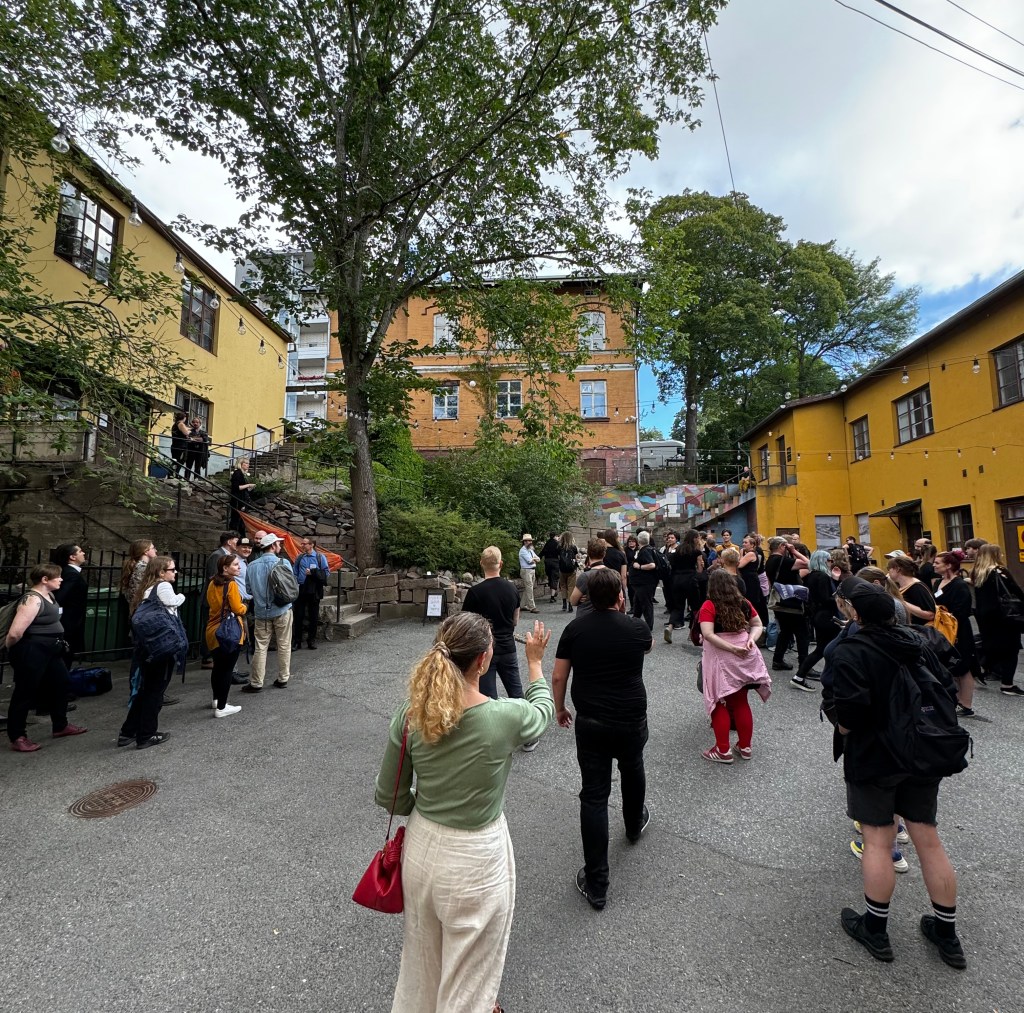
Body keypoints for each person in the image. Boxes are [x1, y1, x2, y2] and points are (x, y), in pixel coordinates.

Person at [375, 613, 553, 1013]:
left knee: (421, 962)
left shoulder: (411, 714)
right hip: (476, 855)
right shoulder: (503, 716)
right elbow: (541, 712)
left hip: (421, 850)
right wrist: (536, 663)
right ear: (483, 661)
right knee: (469, 979)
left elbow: (392, 796)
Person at [831, 577, 967, 969]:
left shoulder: (852, 650)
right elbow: (950, 682)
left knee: (876, 839)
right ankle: (947, 933)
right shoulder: (922, 641)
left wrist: (840, 727)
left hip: (875, 753)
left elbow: (852, 715)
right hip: (923, 749)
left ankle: (875, 927)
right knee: (928, 839)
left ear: (855, 613)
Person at [553, 568, 653, 910]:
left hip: (592, 720)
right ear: (619, 596)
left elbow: (558, 675)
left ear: (588, 597)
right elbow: (649, 647)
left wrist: (560, 707)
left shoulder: (575, 629)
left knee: (594, 795)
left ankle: (597, 882)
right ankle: (633, 823)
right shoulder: (636, 627)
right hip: (630, 716)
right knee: (632, 765)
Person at [461, 547, 537, 751]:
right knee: (515, 690)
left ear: (481, 564)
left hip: (485, 649)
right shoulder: (511, 588)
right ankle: (529, 734)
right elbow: (515, 618)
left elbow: (467, 623)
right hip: (508, 645)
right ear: (501, 564)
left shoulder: (475, 592)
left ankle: (492, 738)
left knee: (487, 695)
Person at [5, 564, 87, 752]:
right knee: (26, 691)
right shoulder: (32, 600)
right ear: (44, 579)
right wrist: (13, 650)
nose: (61, 579)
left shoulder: (49, 596)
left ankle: (60, 725)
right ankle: (17, 736)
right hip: (33, 649)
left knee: (62, 682)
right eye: (57, 577)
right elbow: (15, 633)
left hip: (51, 648)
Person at [697, 569, 771, 763]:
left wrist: (730, 648)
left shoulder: (709, 605)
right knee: (740, 701)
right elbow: (757, 624)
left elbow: (708, 634)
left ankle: (722, 750)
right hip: (746, 655)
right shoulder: (743, 603)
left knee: (718, 701)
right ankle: (745, 746)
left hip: (721, 658)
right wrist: (751, 640)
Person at [119, 556, 184, 749]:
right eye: (172, 569)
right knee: (155, 692)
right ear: (161, 572)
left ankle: (128, 731)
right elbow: (173, 603)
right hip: (161, 647)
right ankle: (146, 734)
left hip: (147, 647)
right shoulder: (163, 586)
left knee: (146, 690)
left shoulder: (146, 589)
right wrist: (182, 596)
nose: (175, 572)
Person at [243, 532, 294, 692]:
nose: (280, 546)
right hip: (282, 609)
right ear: (272, 546)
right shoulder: (284, 562)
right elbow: (290, 585)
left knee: (260, 646)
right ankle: (283, 678)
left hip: (261, 612)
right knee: (284, 644)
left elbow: (249, 589)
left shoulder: (251, 565)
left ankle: (256, 682)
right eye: (278, 544)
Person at [972, 543, 1024, 696]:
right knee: (1011, 650)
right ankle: (1007, 684)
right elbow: (1016, 591)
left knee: (993, 646)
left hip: (986, 616)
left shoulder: (977, 572)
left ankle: (979, 669)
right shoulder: (1000, 571)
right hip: (1005, 617)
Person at [931, 552, 978, 716]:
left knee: (963, 667)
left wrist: (947, 619)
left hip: (959, 631)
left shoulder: (959, 585)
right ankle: (956, 700)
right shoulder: (938, 582)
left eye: (938, 563)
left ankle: (966, 704)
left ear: (949, 565)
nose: (934, 565)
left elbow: (962, 611)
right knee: (951, 666)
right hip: (942, 630)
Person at [793, 550, 842, 692]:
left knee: (823, 648)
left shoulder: (811, 576)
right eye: (829, 560)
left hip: (818, 615)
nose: (831, 563)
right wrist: (840, 599)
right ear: (823, 561)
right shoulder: (822, 577)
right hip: (826, 616)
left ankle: (801, 676)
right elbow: (825, 598)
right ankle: (801, 676)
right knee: (827, 648)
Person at [206, 553, 247, 718]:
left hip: (213, 629)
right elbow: (238, 608)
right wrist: (244, 607)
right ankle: (222, 707)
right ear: (225, 568)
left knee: (217, 667)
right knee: (227, 670)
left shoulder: (211, 583)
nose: (238, 567)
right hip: (228, 631)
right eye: (236, 565)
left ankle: (216, 699)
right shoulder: (231, 585)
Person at [765, 537, 811, 680]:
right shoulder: (784, 561)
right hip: (792, 601)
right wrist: (794, 551)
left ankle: (777, 660)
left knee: (785, 632)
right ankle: (805, 666)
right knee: (802, 634)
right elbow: (809, 564)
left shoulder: (769, 561)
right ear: (781, 546)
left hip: (779, 601)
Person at [202, 531, 240, 668]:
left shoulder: (228, 556)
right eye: (236, 540)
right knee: (214, 628)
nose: (238, 543)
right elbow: (214, 579)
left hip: (226, 602)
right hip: (216, 602)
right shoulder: (217, 556)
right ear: (229, 541)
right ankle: (208, 658)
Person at [52, 542, 88, 667]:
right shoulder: (71, 575)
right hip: (69, 622)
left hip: (68, 621)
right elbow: (60, 598)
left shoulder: (67, 572)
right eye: (80, 551)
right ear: (72, 557)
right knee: (65, 658)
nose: (83, 553)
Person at [666, 528, 704, 641]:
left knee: (678, 606)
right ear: (695, 538)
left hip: (677, 580)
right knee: (695, 607)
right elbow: (700, 570)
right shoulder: (696, 551)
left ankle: (670, 626)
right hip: (690, 580)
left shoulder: (678, 549)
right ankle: (692, 632)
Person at [292, 537, 328, 650]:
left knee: (313, 616)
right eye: (302, 543)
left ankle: (311, 640)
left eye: (304, 544)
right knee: (298, 616)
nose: (302, 545)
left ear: (311, 545)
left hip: (314, 589)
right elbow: (295, 570)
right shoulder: (300, 557)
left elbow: (326, 572)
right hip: (301, 588)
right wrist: (297, 580)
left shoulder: (319, 557)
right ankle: (296, 641)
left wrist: (313, 573)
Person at [886, 555, 936, 626]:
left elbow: (930, 615)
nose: (888, 572)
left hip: (921, 632)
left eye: (889, 569)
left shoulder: (917, 587)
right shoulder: (901, 587)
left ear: (897, 569)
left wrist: (900, 602)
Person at [568, 539, 610, 619]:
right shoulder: (614, 574)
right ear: (604, 554)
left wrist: (582, 598)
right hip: (607, 617)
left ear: (588, 554)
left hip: (586, 616)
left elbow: (573, 601)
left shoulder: (585, 576)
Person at [629, 531, 659, 631]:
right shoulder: (647, 549)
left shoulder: (645, 551)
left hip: (645, 583)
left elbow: (652, 565)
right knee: (637, 602)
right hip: (642, 583)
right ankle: (635, 622)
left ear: (638, 540)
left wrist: (639, 566)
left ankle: (649, 626)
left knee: (646, 604)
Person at [737, 534, 768, 629]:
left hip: (750, 580)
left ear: (752, 545)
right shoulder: (748, 553)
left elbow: (739, 565)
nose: (743, 544)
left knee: (751, 601)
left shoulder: (751, 554)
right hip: (747, 579)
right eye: (743, 542)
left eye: (746, 543)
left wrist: (741, 554)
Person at [600, 529, 629, 601]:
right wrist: (623, 589)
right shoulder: (621, 553)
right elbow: (624, 576)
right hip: (616, 583)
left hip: (602, 582)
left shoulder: (600, 552)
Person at [228, 457, 256, 533]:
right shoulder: (237, 473)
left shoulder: (241, 473)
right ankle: (235, 535)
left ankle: (239, 535)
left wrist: (249, 488)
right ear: (241, 464)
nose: (248, 465)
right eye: (246, 463)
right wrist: (248, 485)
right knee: (236, 519)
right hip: (238, 500)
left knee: (240, 520)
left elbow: (241, 488)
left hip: (242, 499)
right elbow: (236, 487)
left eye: (248, 463)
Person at [557, 532, 579, 612]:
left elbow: (558, 558)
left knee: (563, 586)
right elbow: (575, 559)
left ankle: (564, 604)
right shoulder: (573, 547)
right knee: (571, 587)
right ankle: (570, 605)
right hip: (571, 570)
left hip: (562, 570)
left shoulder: (559, 547)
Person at [518, 534, 540, 613]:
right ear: (524, 542)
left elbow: (538, 559)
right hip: (526, 571)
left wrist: (534, 559)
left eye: (530, 540)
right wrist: (534, 559)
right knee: (529, 589)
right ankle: (532, 607)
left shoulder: (530, 550)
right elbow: (529, 561)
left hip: (532, 570)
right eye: (527, 541)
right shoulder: (523, 550)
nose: (529, 542)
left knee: (528, 588)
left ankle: (522, 605)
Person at [183, 416, 210, 481]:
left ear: (200, 423)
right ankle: (186, 479)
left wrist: (193, 439)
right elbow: (188, 438)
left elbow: (204, 439)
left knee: (198, 467)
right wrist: (196, 439)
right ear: (192, 423)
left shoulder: (203, 432)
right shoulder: (190, 431)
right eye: (194, 422)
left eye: (197, 422)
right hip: (191, 451)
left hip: (200, 452)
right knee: (188, 466)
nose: (195, 423)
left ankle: (196, 480)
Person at [540, 532, 561, 604]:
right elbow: (560, 553)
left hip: (547, 562)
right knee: (555, 578)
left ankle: (553, 591)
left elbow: (542, 552)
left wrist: (538, 558)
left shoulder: (547, 543)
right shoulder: (557, 544)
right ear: (555, 536)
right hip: (555, 562)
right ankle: (552, 596)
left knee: (550, 577)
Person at [169, 410, 190, 478]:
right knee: (181, 460)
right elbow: (186, 433)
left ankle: (172, 474)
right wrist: (190, 431)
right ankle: (175, 474)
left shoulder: (175, 424)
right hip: (181, 446)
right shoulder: (181, 424)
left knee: (175, 460)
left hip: (175, 445)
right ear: (184, 417)